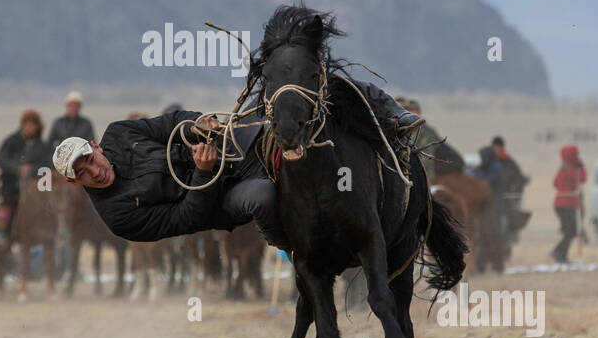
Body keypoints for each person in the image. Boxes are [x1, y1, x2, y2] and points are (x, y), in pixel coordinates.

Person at [55, 82, 420, 247]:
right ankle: (292, 242)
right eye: (82, 173)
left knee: (284, 93)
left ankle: (389, 117)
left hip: (229, 144)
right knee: (262, 195)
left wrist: (200, 123)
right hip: (222, 197)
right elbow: (188, 219)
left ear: (95, 146)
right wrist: (204, 171)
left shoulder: (119, 133)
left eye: (89, 160)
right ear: (75, 183)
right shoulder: (118, 217)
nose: (93, 171)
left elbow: (168, 123)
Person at [0, 110, 53, 235]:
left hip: (36, 188)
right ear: (22, 125)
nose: (30, 128)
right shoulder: (11, 141)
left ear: (38, 127)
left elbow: (48, 165)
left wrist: (31, 170)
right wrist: (17, 168)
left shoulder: (43, 147)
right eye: (27, 124)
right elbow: (0, 158)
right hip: (10, 186)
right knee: (5, 209)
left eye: (33, 125)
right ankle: (2, 234)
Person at [551, 144, 585, 263]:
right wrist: (581, 166)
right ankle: (558, 252)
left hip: (560, 204)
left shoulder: (562, 168)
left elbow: (554, 183)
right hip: (568, 204)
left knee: (569, 231)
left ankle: (562, 255)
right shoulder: (572, 169)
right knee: (572, 230)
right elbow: (582, 178)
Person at [492, 135, 531, 239]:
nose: (496, 151)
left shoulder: (509, 162)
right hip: (493, 198)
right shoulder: (490, 161)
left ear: (502, 148)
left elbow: (519, 178)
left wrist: (514, 188)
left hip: (506, 198)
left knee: (509, 219)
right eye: (494, 148)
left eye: (497, 148)